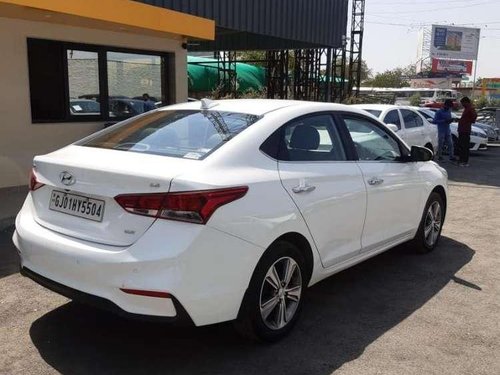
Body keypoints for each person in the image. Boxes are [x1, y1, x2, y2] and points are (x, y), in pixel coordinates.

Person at [457, 97, 477, 167]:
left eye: (462, 103)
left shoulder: (470, 108)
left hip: (464, 130)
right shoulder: (467, 108)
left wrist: (467, 121)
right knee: (462, 145)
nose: (462, 104)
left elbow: (474, 116)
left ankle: (463, 161)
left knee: (464, 146)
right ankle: (462, 160)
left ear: (466, 102)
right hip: (463, 129)